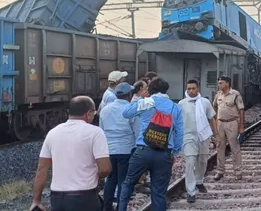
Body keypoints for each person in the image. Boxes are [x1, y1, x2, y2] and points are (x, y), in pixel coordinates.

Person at [31, 96, 111, 211]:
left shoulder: (53, 133)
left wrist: (36, 200)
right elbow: (105, 169)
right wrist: (96, 177)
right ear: (88, 113)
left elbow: (41, 169)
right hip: (85, 197)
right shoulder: (95, 132)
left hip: (58, 199)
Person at [118, 77, 183, 211]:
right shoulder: (175, 107)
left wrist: (138, 98)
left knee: (128, 183)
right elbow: (179, 133)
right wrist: (175, 152)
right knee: (159, 193)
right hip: (164, 153)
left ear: (150, 90)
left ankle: (121, 208)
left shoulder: (146, 102)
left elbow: (126, 113)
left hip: (143, 150)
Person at [99, 82, 138, 211]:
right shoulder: (131, 109)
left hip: (109, 150)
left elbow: (101, 130)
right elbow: (137, 131)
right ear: (129, 95)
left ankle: (107, 207)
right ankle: (121, 208)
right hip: (126, 150)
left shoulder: (105, 110)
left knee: (111, 179)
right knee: (123, 180)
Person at [178, 79, 216, 203]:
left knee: (202, 160)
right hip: (188, 136)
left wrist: (216, 134)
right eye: (189, 89)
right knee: (189, 162)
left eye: (193, 88)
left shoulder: (205, 102)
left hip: (203, 135)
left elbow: (211, 118)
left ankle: (199, 181)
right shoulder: (182, 103)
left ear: (198, 89)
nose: (191, 91)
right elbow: (178, 122)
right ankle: (191, 191)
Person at [212, 76, 245, 181]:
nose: (219, 85)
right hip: (220, 123)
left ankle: (238, 171)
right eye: (218, 83)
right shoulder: (218, 95)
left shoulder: (235, 95)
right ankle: (220, 171)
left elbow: (241, 110)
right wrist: (216, 121)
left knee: (234, 148)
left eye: (221, 83)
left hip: (232, 123)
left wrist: (241, 127)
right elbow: (215, 107)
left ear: (227, 83)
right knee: (220, 147)